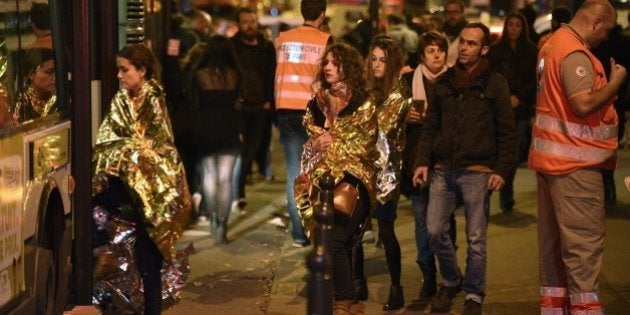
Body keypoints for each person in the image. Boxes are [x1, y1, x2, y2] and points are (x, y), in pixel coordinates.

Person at [412, 23, 517, 315]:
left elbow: (507, 133)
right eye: (463, 42)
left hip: (478, 170)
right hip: (443, 168)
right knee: (434, 230)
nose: (465, 48)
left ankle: (474, 294)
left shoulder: (495, 84)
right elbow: (430, 127)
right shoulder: (445, 82)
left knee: (476, 239)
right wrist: (422, 161)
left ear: (484, 49)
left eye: (472, 43)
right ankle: (451, 279)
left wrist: (502, 170)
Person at [529, 1, 627, 313]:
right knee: (583, 248)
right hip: (576, 168)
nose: (606, 36)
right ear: (597, 22)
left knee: (554, 249)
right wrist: (614, 84)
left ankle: (556, 308)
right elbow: (583, 104)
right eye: (607, 29)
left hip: (553, 164)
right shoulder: (574, 52)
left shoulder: (551, 46)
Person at [92, 43, 192, 314]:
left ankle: (151, 310)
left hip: (152, 190)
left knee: (149, 258)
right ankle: (106, 271)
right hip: (125, 185)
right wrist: (120, 156)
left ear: (142, 70)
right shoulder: (120, 100)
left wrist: (126, 155)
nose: (119, 76)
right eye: (118, 70)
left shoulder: (153, 98)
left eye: (124, 70)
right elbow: (107, 139)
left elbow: (157, 147)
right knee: (95, 210)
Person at [294, 42, 377, 315]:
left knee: (337, 240)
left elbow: (364, 147)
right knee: (329, 241)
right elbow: (309, 149)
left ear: (348, 67)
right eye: (326, 62)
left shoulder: (363, 103)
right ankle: (349, 303)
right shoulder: (316, 104)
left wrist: (335, 142)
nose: (328, 67)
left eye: (335, 63)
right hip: (323, 184)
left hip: (355, 182)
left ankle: (343, 302)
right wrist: (314, 146)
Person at [354, 35, 410, 311]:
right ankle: (358, 281)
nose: (377, 65)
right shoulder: (364, 87)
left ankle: (396, 287)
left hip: (386, 171)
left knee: (386, 230)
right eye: (373, 58)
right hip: (360, 167)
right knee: (356, 227)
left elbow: (380, 128)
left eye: (383, 60)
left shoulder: (398, 91)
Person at [274, 0, 332, 247]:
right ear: (322, 13)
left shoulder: (282, 39)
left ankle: (299, 233)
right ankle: (315, 226)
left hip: (285, 109)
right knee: (317, 170)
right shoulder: (325, 40)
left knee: (293, 172)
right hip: (313, 111)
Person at [401, 30, 453, 303]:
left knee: (445, 219)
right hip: (416, 157)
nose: (436, 55)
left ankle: (449, 276)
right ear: (421, 55)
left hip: (446, 158)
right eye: (430, 50)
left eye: (440, 50)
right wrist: (405, 116)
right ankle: (428, 277)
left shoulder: (454, 80)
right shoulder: (409, 80)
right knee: (422, 218)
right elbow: (392, 116)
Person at [186, 35, 243, 243]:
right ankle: (224, 223)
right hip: (229, 127)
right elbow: (239, 105)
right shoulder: (235, 75)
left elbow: (193, 105)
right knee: (226, 178)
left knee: (209, 176)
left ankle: (213, 219)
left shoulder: (199, 75)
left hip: (206, 127)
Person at [488, 12, 538, 212]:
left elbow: (536, 79)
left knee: (515, 151)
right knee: (498, 149)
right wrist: (506, 96)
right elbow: (491, 77)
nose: (514, 29)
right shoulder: (496, 51)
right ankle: (502, 190)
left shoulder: (532, 51)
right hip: (500, 107)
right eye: (511, 25)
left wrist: (521, 98)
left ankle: (506, 188)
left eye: (518, 25)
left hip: (522, 108)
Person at [231, 7, 276, 209]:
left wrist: (269, 100)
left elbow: (272, 75)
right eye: (245, 22)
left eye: (252, 21)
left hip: (260, 107)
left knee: (251, 150)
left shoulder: (266, 47)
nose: (249, 25)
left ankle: (239, 186)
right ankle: (238, 192)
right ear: (238, 25)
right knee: (241, 151)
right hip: (239, 107)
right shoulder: (232, 47)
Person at [13, 48, 56, 122]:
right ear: (31, 74)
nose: (55, 77)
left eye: (56, 72)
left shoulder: (60, 93)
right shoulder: (22, 102)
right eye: (49, 72)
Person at [442, 0, 467, 66]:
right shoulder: (438, 34)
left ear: (462, 13)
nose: (452, 15)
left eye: (456, 12)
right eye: (448, 12)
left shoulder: (469, 34)